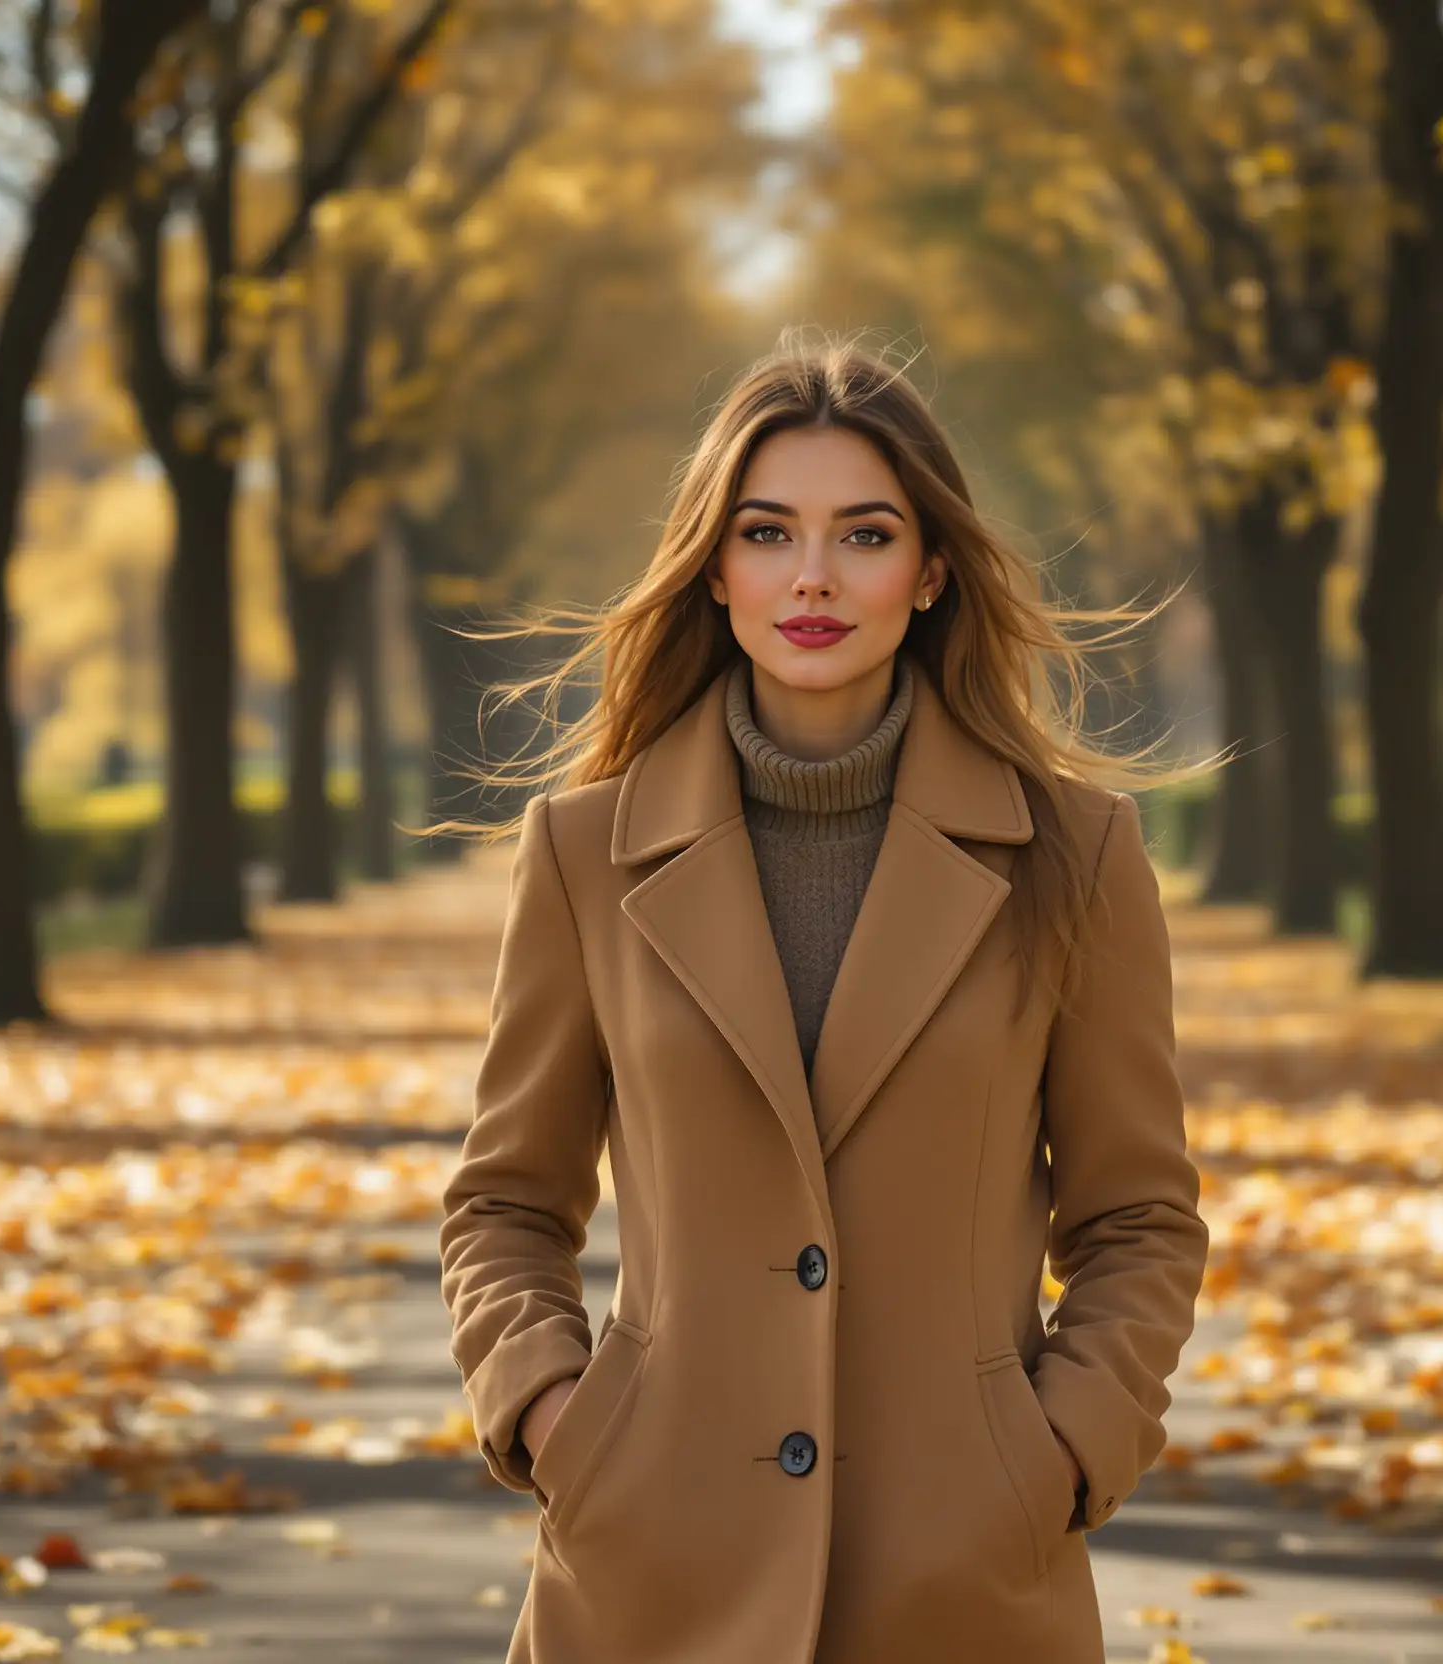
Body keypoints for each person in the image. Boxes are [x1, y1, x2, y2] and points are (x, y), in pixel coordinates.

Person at [434, 336, 1215, 1664]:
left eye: (863, 534)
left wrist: (1064, 1453)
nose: (811, 576)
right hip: (651, 1570)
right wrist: (559, 1421)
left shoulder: (1073, 856)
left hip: (963, 1581)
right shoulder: (582, 852)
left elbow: (1137, 1217)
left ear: (931, 573)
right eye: (766, 531)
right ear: (716, 568)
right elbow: (506, 1201)